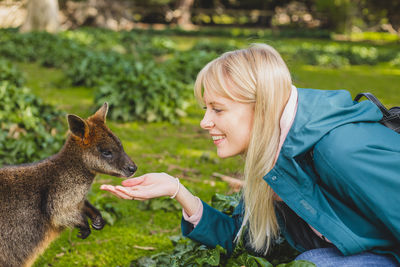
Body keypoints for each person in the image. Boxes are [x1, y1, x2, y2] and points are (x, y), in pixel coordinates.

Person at [100, 44, 400, 266]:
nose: (204, 122)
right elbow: (248, 240)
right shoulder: (272, 152)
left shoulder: (340, 149)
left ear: (261, 105)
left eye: (217, 109)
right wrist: (177, 190)